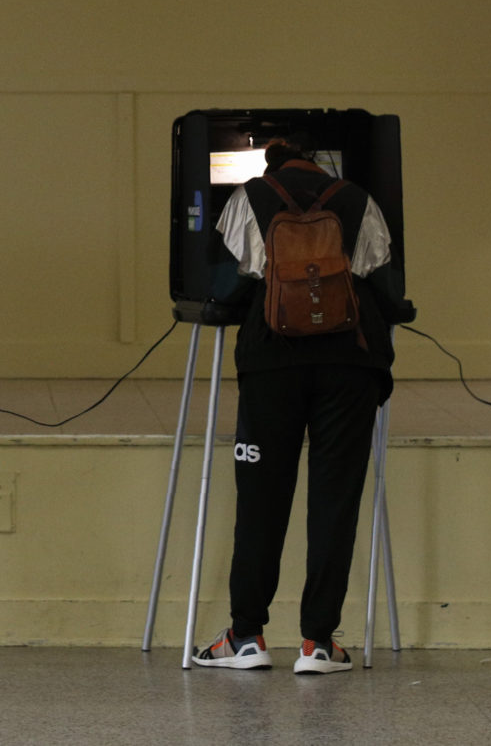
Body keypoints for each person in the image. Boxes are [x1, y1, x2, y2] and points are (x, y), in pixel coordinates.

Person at [193, 140, 414, 673]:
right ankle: (318, 643)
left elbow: (223, 288)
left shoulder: (250, 197)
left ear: (273, 165)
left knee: (261, 500)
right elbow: (389, 290)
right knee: (335, 499)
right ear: (318, 165)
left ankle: (246, 636)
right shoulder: (358, 199)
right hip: (350, 367)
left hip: (272, 365)